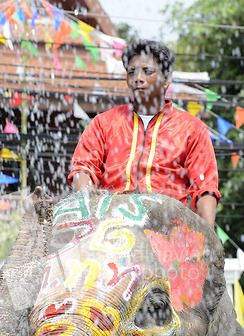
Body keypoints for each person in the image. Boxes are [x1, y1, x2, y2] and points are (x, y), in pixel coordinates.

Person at [68, 39, 220, 229]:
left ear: (166, 79)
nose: (137, 78)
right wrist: (90, 209)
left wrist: (207, 238)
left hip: (170, 226)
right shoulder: (103, 123)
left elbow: (205, 188)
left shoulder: (192, 128)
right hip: (111, 224)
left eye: (147, 72)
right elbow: (82, 169)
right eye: (131, 72)